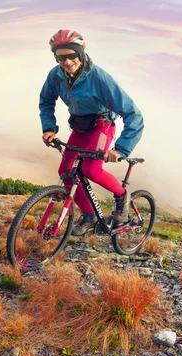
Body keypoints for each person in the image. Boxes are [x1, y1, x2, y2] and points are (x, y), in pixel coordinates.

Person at [39, 29, 145, 236]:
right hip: (79, 128)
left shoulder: (99, 78)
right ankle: (88, 216)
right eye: (60, 57)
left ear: (81, 53)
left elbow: (134, 114)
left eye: (71, 55)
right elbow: (46, 101)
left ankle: (122, 197)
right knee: (66, 172)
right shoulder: (56, 75)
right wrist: (49, 128)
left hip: (101, 126)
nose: (66, 62)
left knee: (90, 170)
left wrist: (120, 149)